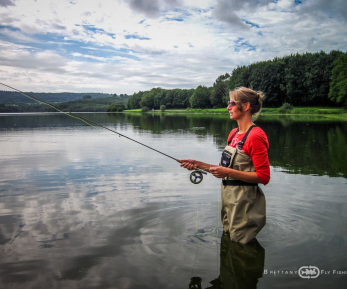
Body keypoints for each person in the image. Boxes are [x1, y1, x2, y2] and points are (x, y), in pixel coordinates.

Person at [179, 87, 270, 244]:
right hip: (228, 197)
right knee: (229, 241)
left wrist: (228, 171)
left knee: (242, 244)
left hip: (244, 201)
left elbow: (264, 177)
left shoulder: (256, 136)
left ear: (246, 106)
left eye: (231, 103)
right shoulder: (233, 134)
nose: (228, 107)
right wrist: (198, 164)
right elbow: (224, 170)